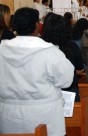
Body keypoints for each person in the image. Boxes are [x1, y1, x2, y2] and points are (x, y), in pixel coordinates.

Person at [0, 7, 74, 135]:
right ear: (36, 26)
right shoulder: (49, 51)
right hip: (44, 117)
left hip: (10, 118)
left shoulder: (2, 49)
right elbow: (66, 80)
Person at [41, 13, 84, 102]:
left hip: (46, 92)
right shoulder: (71, 46)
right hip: (69, 90)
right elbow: (80, 66)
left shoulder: (40, 47)